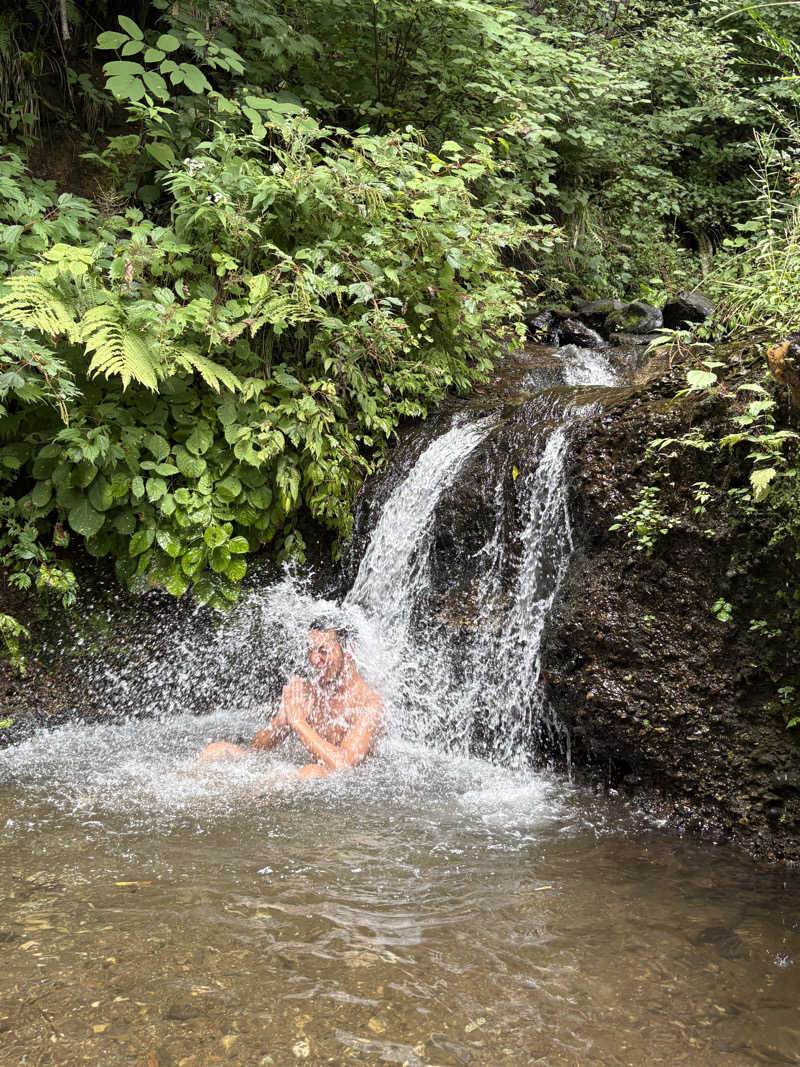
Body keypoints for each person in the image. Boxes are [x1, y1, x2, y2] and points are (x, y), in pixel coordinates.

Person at [199, 620, 383, 779]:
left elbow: (343, 767)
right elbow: (255, 751)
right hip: (304, 779)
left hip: (341, 791)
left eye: (323, 651)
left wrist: (298, 723)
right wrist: (279, 725)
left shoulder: (368, 704)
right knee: (218, 749)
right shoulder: (309, 692)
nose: (313, 659)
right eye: (309, 651)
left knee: (313, 772)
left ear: (348, 650)